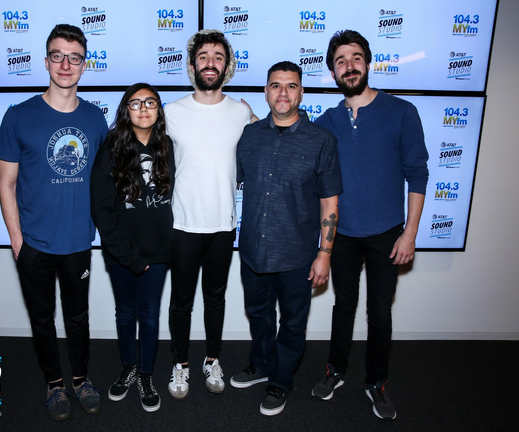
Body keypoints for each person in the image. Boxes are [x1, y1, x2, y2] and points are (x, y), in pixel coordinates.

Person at [311, 30, 429, 420]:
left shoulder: (401, 112)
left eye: (356, 57)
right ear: (332, 72)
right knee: (343, 306)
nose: (350, 66)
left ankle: (377, 382)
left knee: (380, 312)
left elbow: (417, 174)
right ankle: (336, 370)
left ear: (368, 63)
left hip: (386, 234)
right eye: (341, 60)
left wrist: (410, 232)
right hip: (342, 235)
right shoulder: (326, 121)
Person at [0, 24, 107, 420]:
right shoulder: (18, 116)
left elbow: (103, 182)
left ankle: (80, 379)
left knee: (78, 319)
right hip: (34, 245)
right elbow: (6, 185)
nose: (65, 64)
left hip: (77, 242)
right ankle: (54, 385)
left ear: (83, 66)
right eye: (57, 55)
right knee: (41, 320)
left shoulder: (95, 119)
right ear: (46, 61)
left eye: (74, 57)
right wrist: (17, 242)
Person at [230, 61, 342, 416]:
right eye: (275, 86)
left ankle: (281, 381)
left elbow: (330, 201)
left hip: (296, 254)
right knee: (257, 314)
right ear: (265, 91)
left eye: (291, 86)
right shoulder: (249, 135)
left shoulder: (322, 141)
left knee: (292, 323)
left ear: (301, 92)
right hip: (252, 251)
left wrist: (325, 253)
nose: (283, 93)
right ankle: (262, 365)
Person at [164, 29, 255, 399]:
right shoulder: (171, 112)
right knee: (181, 300)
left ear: (227, 65)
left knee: (215, 298)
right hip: (182, 222)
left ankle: (211, 359)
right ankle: (180, 364)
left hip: (223, 223)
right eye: (204, 57)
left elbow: (266, 150)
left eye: (218, 57)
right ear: (192, 66)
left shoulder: (241, 111)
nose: (211, 63)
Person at [90, 83, 174, 413]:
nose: (143, 108)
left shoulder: (169, 146)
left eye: (149, 102)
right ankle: (127, 368)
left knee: (150, 315)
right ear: (126, 109)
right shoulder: (111, 146)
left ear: (158, 109)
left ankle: (146, 374)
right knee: (125, 313)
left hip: (159, 252)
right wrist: (128, 257)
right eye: (135, 103)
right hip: (121, 253)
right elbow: (102, 209)